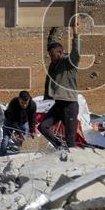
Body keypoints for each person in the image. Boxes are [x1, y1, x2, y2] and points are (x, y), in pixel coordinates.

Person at [39, 18, 81, 149]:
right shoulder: (54, 64)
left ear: (61, 52)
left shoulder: (70, 63)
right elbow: (50, 43)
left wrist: (75, 31)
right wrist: (53, 28)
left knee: (71, 140)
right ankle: (59, 146)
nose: (51, 58)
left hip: (69, 105)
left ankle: (72, 162)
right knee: (43, 127)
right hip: (58, 104)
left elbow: (76, 50)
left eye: (53, 55)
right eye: (50, 56)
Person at [1, 90, 37, 155]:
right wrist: (19, 133)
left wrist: (32, 131)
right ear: (19, 99)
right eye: (22, 103)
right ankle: (1, 154)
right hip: (10, 121)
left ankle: (22, 153)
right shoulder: (13, 103)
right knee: (5, 139)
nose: (24, 105)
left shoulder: (32, 105)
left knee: (24, 139)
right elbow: (13, 121)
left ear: (29, 100)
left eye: (26, 103)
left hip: (23, 121)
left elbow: (32, 119)